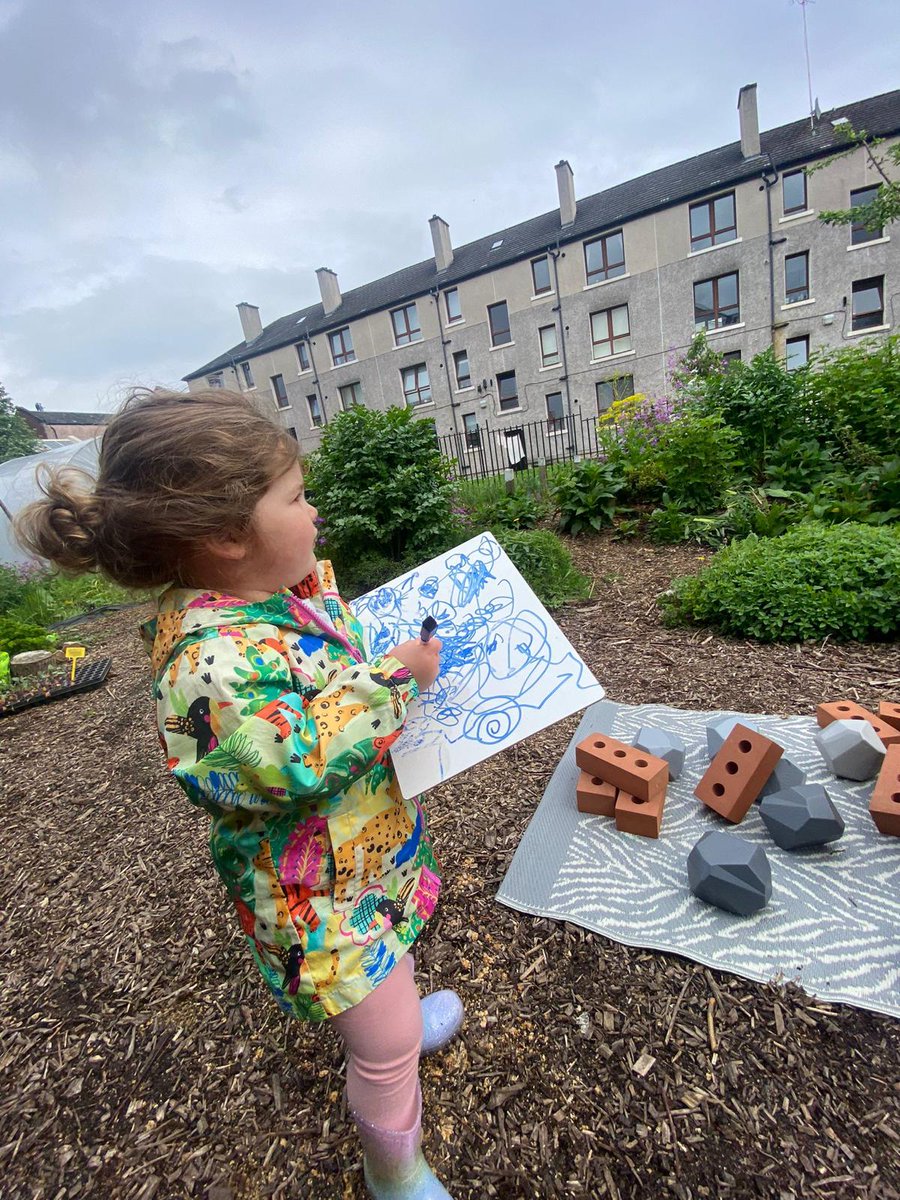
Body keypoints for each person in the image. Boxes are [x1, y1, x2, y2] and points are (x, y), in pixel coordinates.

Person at [16, 388, 463, 1199]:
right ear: (224, 536)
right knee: (383, 1035)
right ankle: (392, 1168)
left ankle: (391, 1018)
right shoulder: (207, 662)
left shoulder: (272, 593)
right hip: (314, 891)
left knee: (389, 968)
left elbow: (321, 654)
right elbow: (286, 761)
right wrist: (397, 677)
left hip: (361, 853)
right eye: (295, 497)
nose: (316, 509)